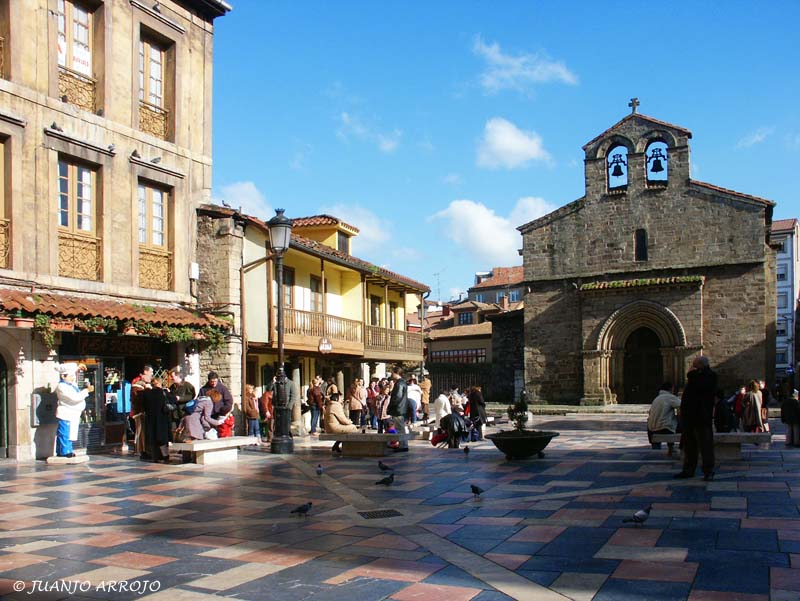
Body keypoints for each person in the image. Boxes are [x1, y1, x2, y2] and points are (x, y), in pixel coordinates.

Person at [675, 355, 718, 481]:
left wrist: (691, 374)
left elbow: (700, 387)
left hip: (702, 417)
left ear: (700, 365)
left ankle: (708, 470)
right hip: (690, 417)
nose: (692, 368)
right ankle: (689, 469)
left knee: (705, 444)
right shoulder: (697, 376)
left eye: (694, 365)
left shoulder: (709, 376)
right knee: (689, 445)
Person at [54, 363, 93, 458]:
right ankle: (64, 451)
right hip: (66, 413)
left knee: (70, 433)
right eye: (70, 376)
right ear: (63, 376)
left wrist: (77, 368)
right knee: (65, 433)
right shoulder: (62, 386)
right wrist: (86, 391)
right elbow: (74, 397)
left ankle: (67, 450)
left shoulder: (71, 384)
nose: (72, 378)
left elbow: (72, 375)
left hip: (73, 413)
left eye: (73, 376)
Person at [143, 378, 172, 463]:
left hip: (151, 419)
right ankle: (165, 456)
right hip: (162, 419)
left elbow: (144, 406)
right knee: (162, 439)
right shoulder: (164, 393)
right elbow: (173, 400)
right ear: (160, 383)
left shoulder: (146, 394)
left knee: (153, 438)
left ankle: (155, 457)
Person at [647, 382, 681, 454]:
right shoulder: (669, 397)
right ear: (671, 389)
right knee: (680, 422)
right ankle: (681, 448)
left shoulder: (657, 398)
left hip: (652, 429)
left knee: (668, 420)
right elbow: (683, 406)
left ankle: (659, 448)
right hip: (664, 428)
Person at [199, 372, 234, 438]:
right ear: (209, 381)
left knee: (222, 432)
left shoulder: (222, 388)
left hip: (220, 413)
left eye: (215, 381)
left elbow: (229, 400)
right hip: (208, 415)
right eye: (212, 381)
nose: (214, 383)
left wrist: (224, 410)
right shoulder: (203, 390)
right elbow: (200, 401)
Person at [131, 365, 153, 459]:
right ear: (145, 372)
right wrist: (148, 389)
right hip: (139, 412)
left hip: (143, 411)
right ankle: (141, 450)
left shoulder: (143, 383)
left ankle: (144, 449)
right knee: (141, 432)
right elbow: (139, 398)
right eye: (151, 372)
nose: (152, 375)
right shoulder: (137, 383)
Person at [387, 367, 409, 452]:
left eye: (392, 372)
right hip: (401, 408)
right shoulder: (402, 383)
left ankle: (403, 445)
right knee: (400, 427)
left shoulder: (399, 384)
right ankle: (403, 444)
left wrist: (391, 406)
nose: (391, 374)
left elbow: (397, 397)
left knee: (399, 428)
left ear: (396, 373)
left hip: (398, 409)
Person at [168, 369, 195, 438]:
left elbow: (191, 396)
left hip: (183, 411)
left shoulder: (187, 385)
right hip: (174, 412)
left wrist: (181, 398)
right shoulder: (172, 387)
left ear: (177, 376)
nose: (171, 378)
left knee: (184, 429)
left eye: (172, 376)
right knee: (174, 429)